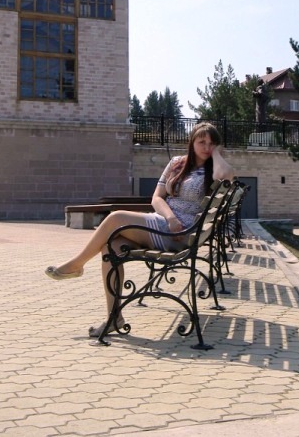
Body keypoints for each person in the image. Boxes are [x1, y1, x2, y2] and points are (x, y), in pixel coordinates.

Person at [45, 122, 234, 337]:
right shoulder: (176, 163)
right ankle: (114, 317)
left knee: (115, 218)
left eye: (212, 143)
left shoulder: (213, 170)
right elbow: (156, 198)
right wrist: (170, 217)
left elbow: (228, 174)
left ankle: (77, 264)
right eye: (202, 142)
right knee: (112, 248)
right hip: (165, 223)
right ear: (192, 143)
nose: (207, 147)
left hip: (180, 234)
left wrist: (216, 153)